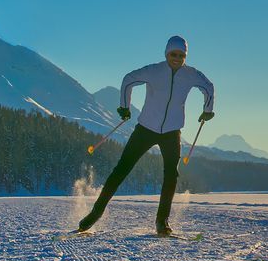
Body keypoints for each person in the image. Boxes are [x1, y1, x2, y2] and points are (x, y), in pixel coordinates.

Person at [78, 35, 215, 236]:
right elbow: (128, 80)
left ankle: (162, 221)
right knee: (122, 169)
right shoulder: (154, 71)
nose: (177, 58)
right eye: (173, 54)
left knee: (171, 175)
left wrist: (208, 109)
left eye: (181, 55)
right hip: (146, 129)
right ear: (166, 53)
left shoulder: (191, 75)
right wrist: (124, 107)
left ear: (185, 56)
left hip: (172, 132)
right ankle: (95, 213)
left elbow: (208, 87)